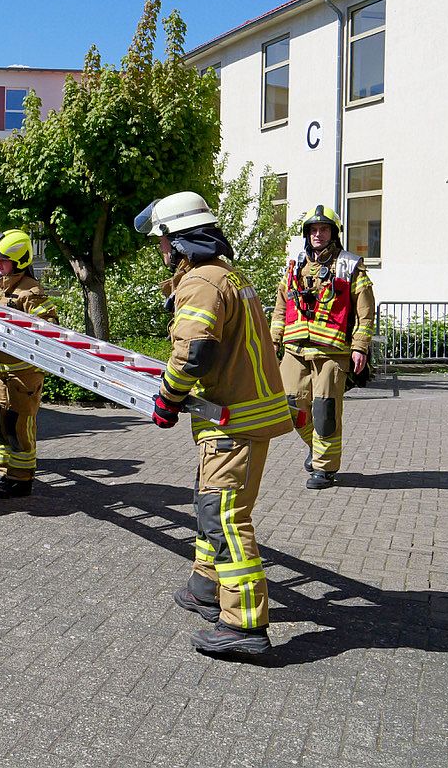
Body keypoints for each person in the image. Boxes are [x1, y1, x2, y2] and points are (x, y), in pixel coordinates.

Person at [137, 191, 294, 658]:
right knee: (208, 503)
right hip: (239, 416)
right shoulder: (226, 274)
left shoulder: (201, 282)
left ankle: (244, 625)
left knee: (224, 517)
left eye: (162, 241)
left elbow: (194, 352)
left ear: (178, 240)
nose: (160, 251)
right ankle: (206, 587)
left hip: (234, 423)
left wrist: (167, 399)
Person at [270, 205, 376, 490]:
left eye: (324, 229)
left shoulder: (350, 266)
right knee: (289, 406)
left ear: (333, 233)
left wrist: (360, 347)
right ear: (307, 234)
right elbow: (281, 308)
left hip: (332, 352)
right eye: (313, 230)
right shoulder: (295, 265)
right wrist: (273, 341)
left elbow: (365, 313)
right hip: (295, 349)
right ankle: (316, 448)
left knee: (325, 412)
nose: (318, 234)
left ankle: (324, 468)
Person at [0, 229, 58, 498]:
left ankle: (22, 479)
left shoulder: (31, 292)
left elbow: (49, 329)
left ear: (19, 261)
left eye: (3, 260)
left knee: (18, 428)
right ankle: (5, 474)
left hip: (23, 375)